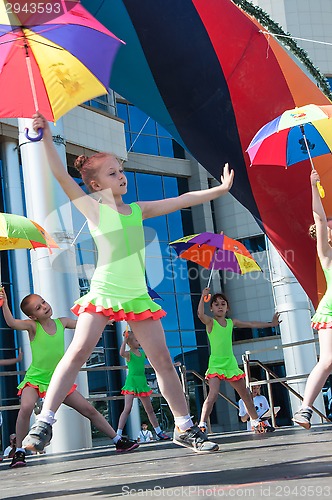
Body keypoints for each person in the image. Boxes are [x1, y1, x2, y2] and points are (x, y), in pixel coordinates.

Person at [23, 111, 234, 454]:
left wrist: (219, 189)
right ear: (95, 185)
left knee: (163, 361)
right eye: (112, 173)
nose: (121, 177)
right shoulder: (93, 208)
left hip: (137, 295)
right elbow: (60, 174)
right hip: (105, 292)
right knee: (76, 352)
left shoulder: (137, 210)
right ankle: (44, 422)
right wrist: (45, 136)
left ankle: (184, 427)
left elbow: (181, 200)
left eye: (121, 171)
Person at [0, 288, 139, 468]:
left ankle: (118, 440)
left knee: (88, 410)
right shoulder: (33, 326)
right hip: (35, 379)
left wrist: (105, 320)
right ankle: (19, 452)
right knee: (25, 408)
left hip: (58, 379)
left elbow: (84, 324)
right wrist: (4, 303)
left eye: (43, 302)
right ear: (33, 317)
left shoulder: (62, 322)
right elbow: (11, 323)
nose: (44, 307)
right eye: (38, 308)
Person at [197, 288, 280, 433]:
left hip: (230, 363)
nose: (220, 306)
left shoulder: (231, 322)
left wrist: (270, 324)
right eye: (216, 304)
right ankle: (202, 424)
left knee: (246, 394)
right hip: (216, 363)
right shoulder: (210, 322)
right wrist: (202, 296)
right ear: (211, 308)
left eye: (223, 304)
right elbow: (200, 314)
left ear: (227, 308)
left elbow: (251, 324)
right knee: (213, 394)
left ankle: (256, 422)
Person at [293, 169, 332, 429]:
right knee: (328, 360)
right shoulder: (327, 255)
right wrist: (313, 185)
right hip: (330, 311)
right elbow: (318, 217)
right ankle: (305, 409)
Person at [117, 330, 170, 441]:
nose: (139, 342)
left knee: (149, 409)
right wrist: (125, 340)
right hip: (132, 382)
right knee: (127, 408)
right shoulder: (129, 354)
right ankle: (118, 433)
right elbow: (121, 353)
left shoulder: (142, 353)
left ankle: (158, 432)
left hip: (141, 381)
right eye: (136, 340)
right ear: (130, 343)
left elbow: (152, 352)